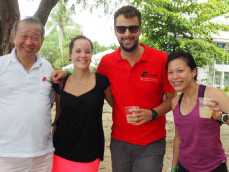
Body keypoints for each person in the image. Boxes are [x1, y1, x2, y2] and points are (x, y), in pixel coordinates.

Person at [51, 5, 176, 172]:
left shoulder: (161, 59)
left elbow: (173, 98)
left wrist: (153, 113)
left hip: (151, 142)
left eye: (132, 28)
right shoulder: (107, 63)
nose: (127, 34)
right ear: (115, 30)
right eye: (121, 28)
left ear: (140, 30)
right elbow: (88, 79)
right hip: (119, 142)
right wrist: (66, 73)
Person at [51, 35, 113, 172]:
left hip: (90, 151)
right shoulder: (61, 82)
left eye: (87, 51)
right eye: (78, 51)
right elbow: (59, 115)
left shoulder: (102, 82)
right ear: (70, 55)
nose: (83, 55)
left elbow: (118, 106)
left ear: (91, 55)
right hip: (61, 150)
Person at [0, 17, 55, 172]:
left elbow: (47, 104)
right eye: (24, 36)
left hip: (43, 155)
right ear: (13, 37)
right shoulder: (1, 65)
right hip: (7, 156)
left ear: (42, 41)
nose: (29, 42)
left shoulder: (47, 68)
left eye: (35, 38)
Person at [166, 51, 229, 172]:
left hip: (213, 167)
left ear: (193, 72)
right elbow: (178, 137)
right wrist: (173, 167)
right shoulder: (175, 102)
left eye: (180, 71)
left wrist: (220, 117)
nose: (174, 77)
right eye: (170, 72)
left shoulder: (213, 94)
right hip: (185, 167)